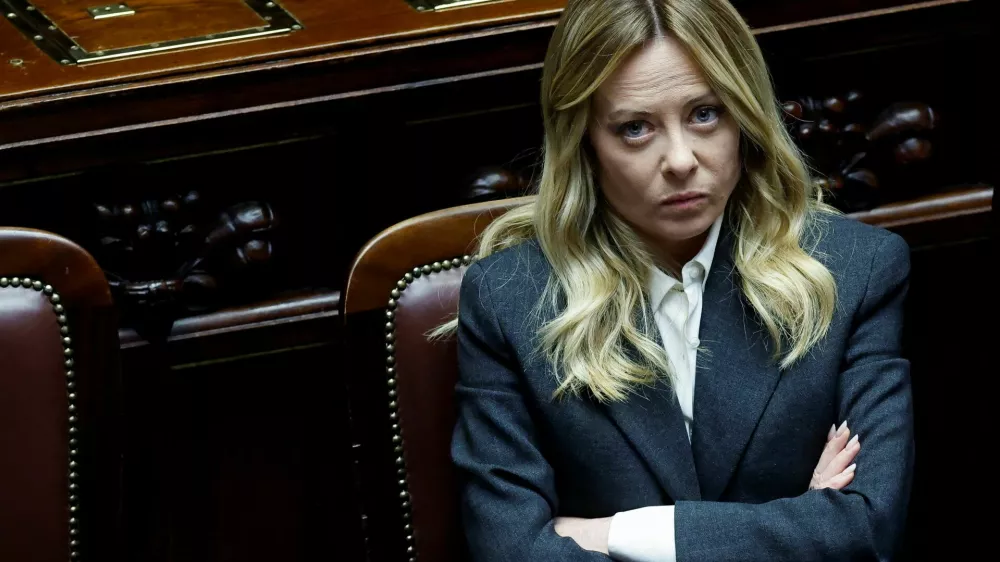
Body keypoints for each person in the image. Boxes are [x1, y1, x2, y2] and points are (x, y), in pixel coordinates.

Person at [449, 0, 914, 560]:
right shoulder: (509, 298)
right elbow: (510, 551)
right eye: (635, 128)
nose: (680, 159)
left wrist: (615, 534)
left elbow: (866, 529)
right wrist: (800, 523)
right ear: (585, 144)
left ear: (745, 116)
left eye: (704, 114)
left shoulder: (855, 270)